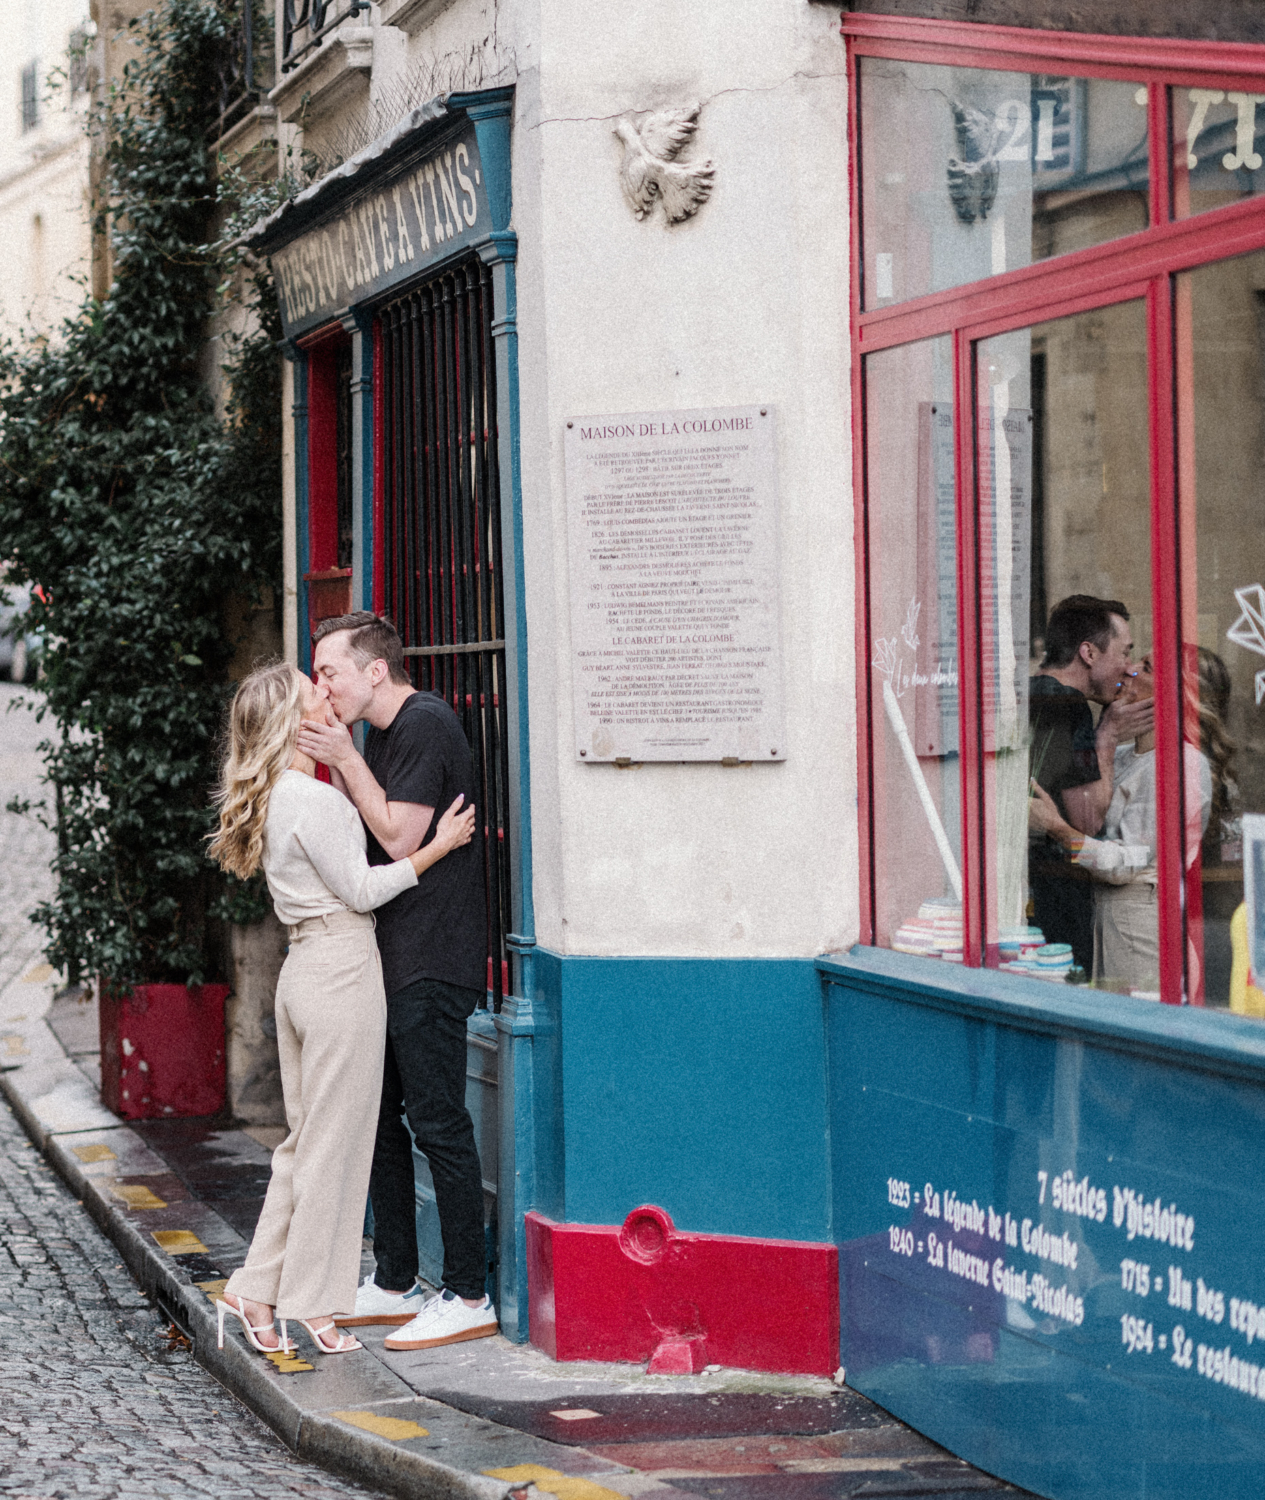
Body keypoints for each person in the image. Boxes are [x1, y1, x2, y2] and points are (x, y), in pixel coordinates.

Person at [206, 662, 475, 1356]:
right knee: (333, 1151)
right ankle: (308, 1305)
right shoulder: (315, 801)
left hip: (303, 972)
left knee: (304, 1147)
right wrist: (438, 848)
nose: (326, 693)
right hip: (341, 971)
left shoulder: (276, 795)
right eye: (312, 691)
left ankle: (256, 1290)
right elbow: (359, 889)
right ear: (298, 723)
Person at [296, 613, 496, 1352]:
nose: (324, 687)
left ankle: (469, 1292)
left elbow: (398, 839)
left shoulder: (423, 724)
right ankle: (395, 1279)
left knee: (439, 1122)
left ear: (375, 670)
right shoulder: (383, 735)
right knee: (378, 1118)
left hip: (431, 957)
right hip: (391, 952)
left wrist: (345, 761)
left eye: (330, 672)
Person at [1029, 652, 1212, 994]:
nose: (1129, 670)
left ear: (1173, 693)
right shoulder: (1128, 755)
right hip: (1106, 920)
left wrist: (1056, 827)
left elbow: (1123, 864)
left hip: (1142, 929)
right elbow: (1094, 829)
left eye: (1146, 667)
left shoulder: (1184, 766)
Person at [1027, 596, 1153, 971]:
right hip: (1059, 894)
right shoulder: (1070, 705)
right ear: (1089, 653)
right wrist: (1109, 733)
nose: (1127, 667)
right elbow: (1089, 822)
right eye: (1125, 652)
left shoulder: (1033, 692)